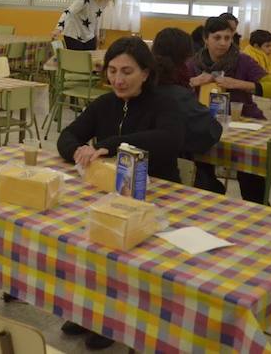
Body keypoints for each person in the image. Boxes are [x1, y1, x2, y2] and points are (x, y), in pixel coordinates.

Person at [57, 36, 184, 350]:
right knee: (89, 245)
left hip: (154, 195)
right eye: (112, 71)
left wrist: (111, 144)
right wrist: (79, 150)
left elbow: (169, 139)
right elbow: (67, 135)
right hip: (110, 192)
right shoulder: (104, 104)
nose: (118, 79)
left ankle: (115, 320)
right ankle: (91, 312)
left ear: (145, 72)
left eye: (127, 71)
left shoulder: (164, 103)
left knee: (127, 255)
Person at [187, 16, 271, 203]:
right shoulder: (193, 63)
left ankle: (256, 207)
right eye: (217, 38)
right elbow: (176, 91)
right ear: (206, 39)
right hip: (206, 124)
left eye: (228, 38)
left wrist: (237, 83)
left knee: (251, 178)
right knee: (199, 167)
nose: (223, 43)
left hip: (245, 123)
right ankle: (213, 198)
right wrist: (193, 82)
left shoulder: (242, 61)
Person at [152, 27, 224, 193]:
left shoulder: (145, 85)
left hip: (141, 167)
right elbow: (211, 132)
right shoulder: (178, 94)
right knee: (214, 185)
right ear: (185, 58)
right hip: (172, 173)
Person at [53, 0, 118, 50]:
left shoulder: (102, 2)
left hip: (88, 36)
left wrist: (96, 35)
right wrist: (58, 28)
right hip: (73, 34)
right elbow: (68, 12)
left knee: (90, 58)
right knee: (77, 59)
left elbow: (95, 20)